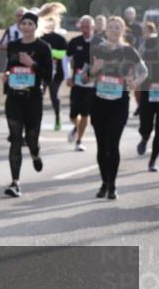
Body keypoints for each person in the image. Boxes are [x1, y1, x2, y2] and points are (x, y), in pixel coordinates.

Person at [89, 16, 148, 199]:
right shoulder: (97, 49)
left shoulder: (129, 51)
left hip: (119, 102)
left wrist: (135, 83)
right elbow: (87, 77)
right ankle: (104, 183)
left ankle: (112, 185)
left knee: (112, 144)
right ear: (106, 30)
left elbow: (144, 71)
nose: (114, 30)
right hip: (99, 102)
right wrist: (94, 70)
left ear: (122, 31)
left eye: (118, 28)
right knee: (101, 146)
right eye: (111, 27)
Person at [2, 11, 53, 197]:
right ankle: (15, 182)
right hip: (14, 98)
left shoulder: (43, 47)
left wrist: (33, 64)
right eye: (24, 23)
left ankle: (35, 154)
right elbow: (10, 68)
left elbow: (49, 76)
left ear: (36, 26)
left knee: (31, 138)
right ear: (20, 26)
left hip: (33, 99)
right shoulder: (13, 46)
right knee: (15, 139)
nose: (27, 26)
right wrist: (6, 77)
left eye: (31, 23)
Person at [66, 15, 101, 152]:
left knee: (85, 114)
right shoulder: (75, 42)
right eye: (83, 27)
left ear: (93, 27)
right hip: (77, 83)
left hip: (92, 85)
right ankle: (77, 126)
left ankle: (79, 141)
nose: (85, 29)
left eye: (88, 27)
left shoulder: (99, 42)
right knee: (73, 115)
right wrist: (68, 76)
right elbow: (66, 59)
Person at [38, 3, 69, 131]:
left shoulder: (60, 39)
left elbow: (62, 54)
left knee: (53, 95)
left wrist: (49, 52)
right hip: (42, 71)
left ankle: (57, 117)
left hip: (57, 73)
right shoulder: (39, 37)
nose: (49, 24)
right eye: (47, 21)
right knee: (39, 95)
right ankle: (36, 119)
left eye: (52, 22)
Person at [138, 22, 159, 171]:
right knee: (146, 121)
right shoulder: (149, 41)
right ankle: (145, 137)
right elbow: (138, 60)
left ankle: (152, 160)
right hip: (149, 87)